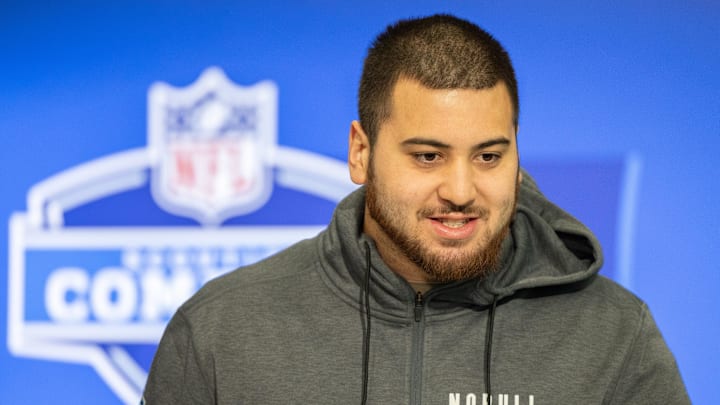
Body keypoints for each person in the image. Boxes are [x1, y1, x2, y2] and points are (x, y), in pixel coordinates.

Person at [142, 14, 690, 404]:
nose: (460, 189)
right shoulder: (222, 330)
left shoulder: (613, 334)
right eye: (428, 156)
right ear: (361, 152)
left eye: (489, 156)